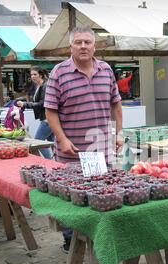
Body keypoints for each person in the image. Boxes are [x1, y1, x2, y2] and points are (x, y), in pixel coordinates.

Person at [44, 26, 123, 252]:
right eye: (78, 42)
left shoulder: (106, 70)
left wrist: (119, 132)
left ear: (94, 46)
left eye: (87, 42)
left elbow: (116, 103)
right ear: (71, 47)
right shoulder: (59, 73)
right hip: (71, 152)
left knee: (100, 193)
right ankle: (71, 240)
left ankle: (99, 237)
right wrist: (62, 139)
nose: (83, 46)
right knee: (71, 197)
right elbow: (50, 111)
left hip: (100, 151)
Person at [15, 67, 54, 159]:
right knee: (52, 142)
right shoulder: (39, 86)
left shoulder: (45, 86)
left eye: (35, 74)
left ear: (40, 75)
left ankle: (50, 161)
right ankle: (57, 163)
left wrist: (25, 104)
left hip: (47, 119)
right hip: (46, 118)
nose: (32, 76)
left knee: (38, 141)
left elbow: (42, 104)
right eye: (31, 74)